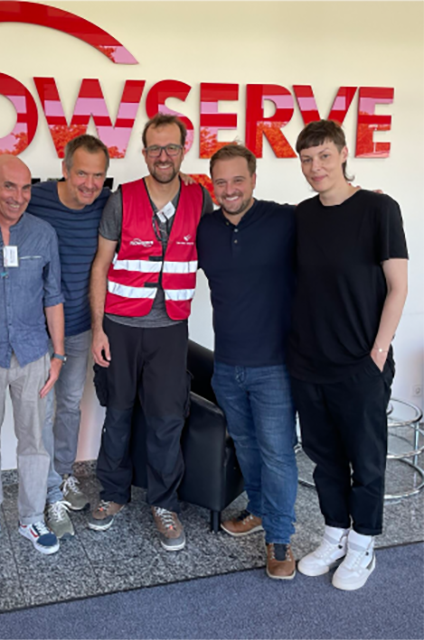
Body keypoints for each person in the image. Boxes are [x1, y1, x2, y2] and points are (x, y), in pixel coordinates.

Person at [290, 120, 408, 591]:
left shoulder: (379, 209)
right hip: (308, 362)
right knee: (325, 459)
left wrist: (377, 354)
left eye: (322, 155)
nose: (314, 166)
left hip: (360, 363)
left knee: (366, 458)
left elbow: (398, 288)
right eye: (305, 158)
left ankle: (363, 545)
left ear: (342, 154)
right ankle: (335, 534)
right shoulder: (301, 216)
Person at [88, 113, 213, 551]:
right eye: (155, 148)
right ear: (143, 153)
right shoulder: (121, 199)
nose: (163, 156)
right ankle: (111, 494)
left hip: (170, 330)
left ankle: (164, 503)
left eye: (172, 147)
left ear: (184, 149)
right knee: (118, 413)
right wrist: (99, 329)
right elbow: (100, 267)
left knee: (166, 419)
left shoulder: (201, 200)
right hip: (120, 328)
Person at [197, 144, 298, 579]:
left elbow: (336, 236)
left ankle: (279, 539)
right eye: (220, 182)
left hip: (274, 365)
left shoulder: (285, 220)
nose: (229, 189)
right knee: (247, 445)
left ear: (254, 179)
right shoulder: (206, 229)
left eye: (238, 180)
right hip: (227, 364)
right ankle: (257, 510)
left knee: (277, 454)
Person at [0, 155, 66, 556]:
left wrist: (57, 356)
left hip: (34, 354)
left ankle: (31, 518)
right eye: (9, 186)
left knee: (35, 442)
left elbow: (53, 297)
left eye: (25, 188)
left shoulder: (43, 234)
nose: (18, 197)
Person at [27, 135, 111, 539]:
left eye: (98, 176)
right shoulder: (36, 198)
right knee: (41, 413)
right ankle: (46, 494)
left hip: (78, 326)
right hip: (35, 332)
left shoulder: (105, 205)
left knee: (71, 407)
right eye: (82, 173)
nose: (90, 185)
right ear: (65, 169)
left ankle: (63, 476)